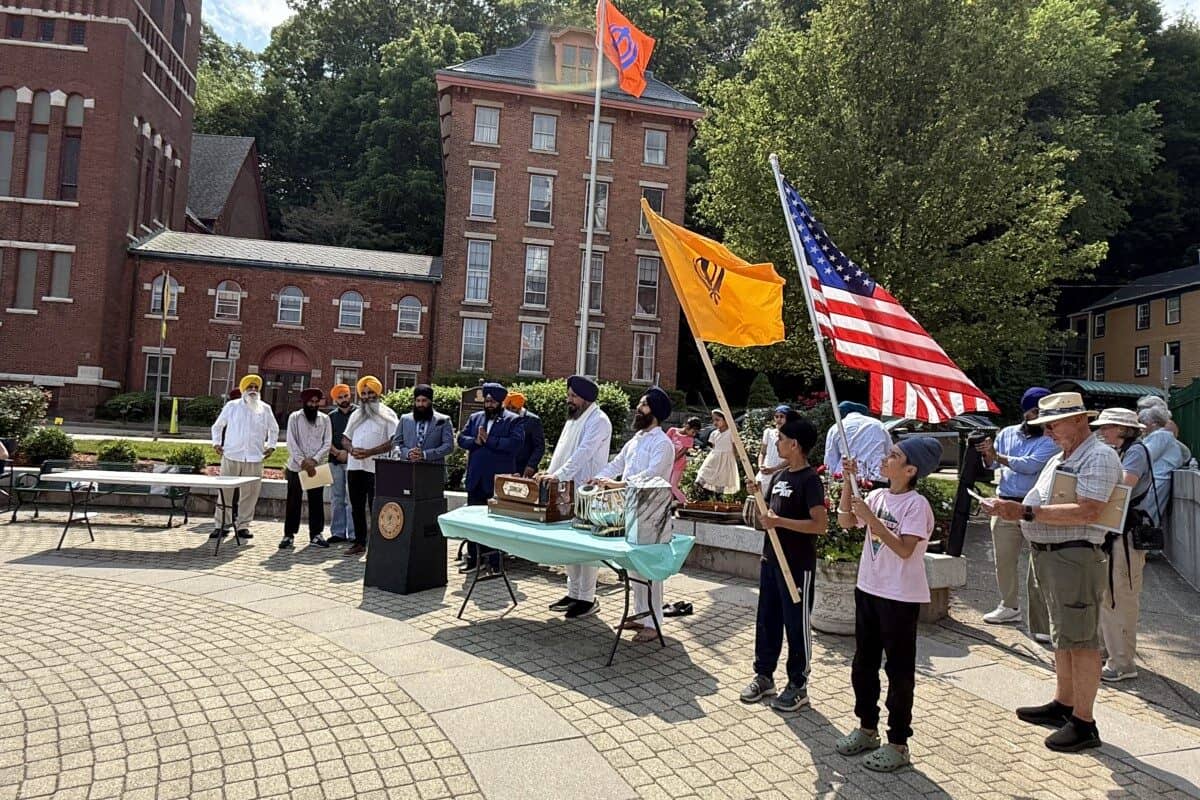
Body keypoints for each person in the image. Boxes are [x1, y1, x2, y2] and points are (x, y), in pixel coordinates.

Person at [983, 392, 1122, 753]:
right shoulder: (1067, 454)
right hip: (1052, 555)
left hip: (1073, 557)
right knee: (1063, 635)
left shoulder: (1099, 455)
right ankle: (1064, 704)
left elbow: (1089, 511)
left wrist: (1026, 514)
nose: (1047, 432)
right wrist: (1020, 511)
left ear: (1079, 419)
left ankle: (1084, 722)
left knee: (1080, 639)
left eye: (1053, 424)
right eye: (1044, 425)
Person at [834, 436, 941, 773]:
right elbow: (846, 521)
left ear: (910, 470)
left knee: (898, 670)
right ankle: (867, 727)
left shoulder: (916, 505)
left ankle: (898, 742)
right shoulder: (878, 495)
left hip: (899, 597)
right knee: (863, 663)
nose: (885, 457)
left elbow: (906, 549)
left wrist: (874, 521)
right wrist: (848, 484)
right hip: (869, 588)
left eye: (894, 455)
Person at [740, 417, 827, 712]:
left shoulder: (810, 480)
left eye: (781, 438)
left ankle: (798, 684)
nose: (776, 443)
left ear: (795, 445)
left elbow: (819, 525)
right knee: (767, 620)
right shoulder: (779, 477)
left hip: (797, 566)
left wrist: (780, 523)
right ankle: (764, 675)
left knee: (795, 625)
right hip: (771, 560)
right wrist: (756, 496)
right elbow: (768, 515)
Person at [591, 388, 676, 643]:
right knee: (634, 567)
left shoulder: (663, 443)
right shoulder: (636, 439)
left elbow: (651, 476)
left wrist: (618, 485)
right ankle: (641, 615)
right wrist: (599, 477)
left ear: (656, 412)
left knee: (649, 570)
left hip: (652, 513)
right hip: (629, 509)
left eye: (644, 405)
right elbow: (617, 464)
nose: (638, 408)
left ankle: (654, 623)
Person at [976, 387, 1060, 628]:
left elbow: (1030, 465)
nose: (1044, 418)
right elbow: (993, 467)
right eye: (1038, 412)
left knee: (1040, 564)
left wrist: (997, 456)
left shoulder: (1050, 439)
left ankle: (1042, 618)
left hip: (1036, 507)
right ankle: (1009, 605)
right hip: (1005, 501)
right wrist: (987, 455)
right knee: (1003, 559)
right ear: (1026, 412)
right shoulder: (1007, 433)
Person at [540, 375, 613, 618]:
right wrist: (550, 474)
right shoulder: (574, 419)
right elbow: (562, 450)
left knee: (586, 548)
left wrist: (558, 475)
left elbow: (583, 453)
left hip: (587, 492)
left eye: (573, 396)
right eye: (569, 395)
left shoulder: (599, 421)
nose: (568, 399)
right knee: (570, 546)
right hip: (566, 491)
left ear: (586, 398)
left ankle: (588, 598)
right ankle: (573, 593)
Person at [1091, 408, 1152, 682]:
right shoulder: (1122, 451)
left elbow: (1122, 487)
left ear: (1123, 429)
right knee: (1109, 597)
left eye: (1107, 427)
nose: (1102, 431)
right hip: (1115, 533)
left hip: (1125, 536)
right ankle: (1110, 653)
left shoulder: (1135, 451)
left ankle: (1123, 663)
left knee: (1121, 598)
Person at [458, 382, 525, 572]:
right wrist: (476, 441)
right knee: (473, 522)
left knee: (496, 524)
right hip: (476, 479)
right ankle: (474, 560)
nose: (488, 405)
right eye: (486, 401)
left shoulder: (513, 420)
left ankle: (496, 563)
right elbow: (461, 439)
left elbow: (515, 444)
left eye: (492, 402)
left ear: (500, 402)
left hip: (498, 482)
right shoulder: (475, 418)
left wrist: (491, 440)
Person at [210, 374, 278, 540]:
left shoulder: (265, 408)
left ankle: (243, 526)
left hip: (254, 457)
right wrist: (216, 443)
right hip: (232, 454)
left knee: (250, 494)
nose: (253, 390)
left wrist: (271, 446)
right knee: (225, 492)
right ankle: (221, 525)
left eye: (256, 387)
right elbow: (218, 426)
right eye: (250, 387)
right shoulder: (232, 406)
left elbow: (274, 429)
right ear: (243, 390)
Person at [341, 376, 398, 557]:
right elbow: (345, 439)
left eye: (371, 393)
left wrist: (370, 452)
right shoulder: (356, 414)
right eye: (364, 393)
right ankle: (359, 543)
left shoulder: (387, 414)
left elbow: (394, 441)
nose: (367, 397)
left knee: (377, 507)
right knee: (356, 505)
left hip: (376, 468)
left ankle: (378, 544)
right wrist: (351, 449)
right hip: (355, 466)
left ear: (378, 393)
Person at [281, 388, 332, 550]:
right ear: (304, 402)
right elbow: (291, 442)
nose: (314, 405)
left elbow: (327, 443)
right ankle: (288, 535)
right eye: (311, 402)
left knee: (317, 502)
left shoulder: (325, 419)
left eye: (317, 402)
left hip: (317, 466)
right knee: (293, 502)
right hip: (296, 466)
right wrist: (303, 462)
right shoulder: (294, 418)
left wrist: (315, 460)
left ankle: (316, 535)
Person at [1138, 403, 1189, 526]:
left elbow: (1146, 455)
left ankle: (1146, 538)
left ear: (1154, 423)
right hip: (1156, 479)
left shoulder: (1160, 436)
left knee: (1147, 514)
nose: (1143, 426)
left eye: (1145, 422)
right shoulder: (1160, 436)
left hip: (1158, 479)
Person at [823, 401, 892, 483]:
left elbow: (830, 461)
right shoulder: (879, 425)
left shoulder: (836, 428)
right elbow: (890, 453)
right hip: (876, 477)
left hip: (846, 479)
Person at [391, 384, 454, 465]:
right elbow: (396, 443)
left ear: (430, 401)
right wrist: (408, 453)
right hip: (407, 468)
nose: (420, 404)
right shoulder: (405, 419)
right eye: (418, 401)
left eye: (424, 401)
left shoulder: (444, 420)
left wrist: (425, 454)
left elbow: (448, 446)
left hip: (433, 470)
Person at [326, 385, 356, 543]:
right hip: (335, 462)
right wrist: (337, 453)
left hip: (355, 462)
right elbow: (325, 439)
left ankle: (353, 534)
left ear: (350, 395)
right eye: (340, 397)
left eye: (345, 396)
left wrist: (349, 453)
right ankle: (337, 532)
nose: (344, 400)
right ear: (335, 399)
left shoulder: (358, 414)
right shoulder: (330, 417)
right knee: (337, 498)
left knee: (352, 499)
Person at [695, 410, 738, 498]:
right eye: (713, 420)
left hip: (726, 458)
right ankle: (705, 495)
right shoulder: (714, 434)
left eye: (717, 420)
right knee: (704, 474)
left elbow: (735, 447)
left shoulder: (731, 433)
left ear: (725, 420)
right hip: (714, 458)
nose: (715, 422)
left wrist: (736, 458)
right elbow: (714, 447)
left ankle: (719, 498)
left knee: (722, 480)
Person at [506, 392, 545, 478]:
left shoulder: (533, 420)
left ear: (520, 407)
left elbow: (539, 446)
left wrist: (531, 466)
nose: (510, 411)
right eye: (508, 408)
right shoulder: (504, 418)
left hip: (524, 469)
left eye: (513, 408)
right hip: (506, 467)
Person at [756, 405, 792, 495]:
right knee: (759, 498)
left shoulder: (791, 435)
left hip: (781, 473)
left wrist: (775, 469)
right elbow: (762, 453)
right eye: (776, 416)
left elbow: (791, 458)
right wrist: (760, 465)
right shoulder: (768, 432)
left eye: (782, 416)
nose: (779, 419)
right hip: (765, 472)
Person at [666, 416, 702, 503]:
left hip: (678, 464)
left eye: (695, 433)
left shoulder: (689, 439)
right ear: (687, 426)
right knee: (667, 486)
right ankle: (668, 505)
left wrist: (671, 460)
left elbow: (681, 453)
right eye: (693, 432)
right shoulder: (673, 431)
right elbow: (665, 443)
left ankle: (685, 502)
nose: (693, 435)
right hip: (668, 462)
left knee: (673, 486)